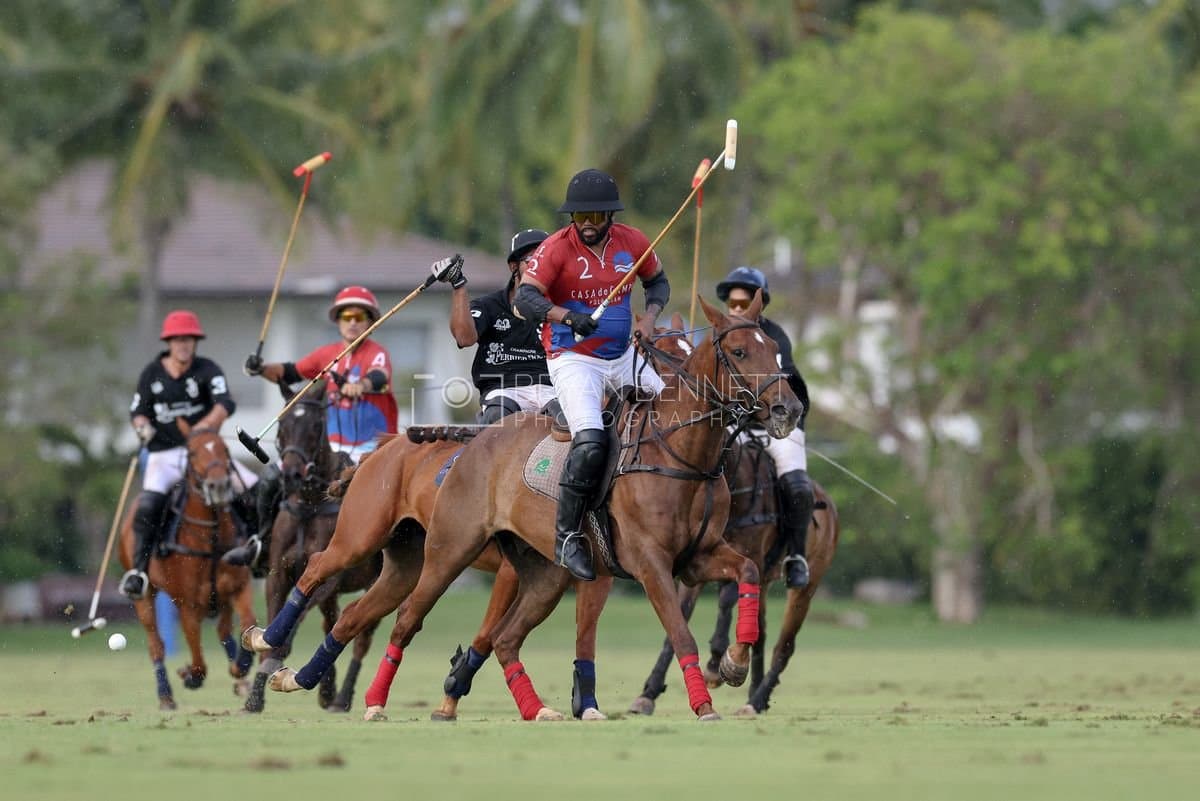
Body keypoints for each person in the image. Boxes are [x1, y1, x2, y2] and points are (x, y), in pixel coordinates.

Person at [513, 168, 670, 581]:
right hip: (572, 358)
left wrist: (650, 318)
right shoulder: (555, 249)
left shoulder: (633, 242)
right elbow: (527, 298)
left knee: (674, 413)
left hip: (623, 356)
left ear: (610, 218)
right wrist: (567, 316)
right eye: (580, 216)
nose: (587, 224)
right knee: (591, 439)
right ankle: (567, 536)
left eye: (595, 217)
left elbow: (658, 283)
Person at [228, 285, 398, 573]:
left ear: (371, 321)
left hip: (371, 447)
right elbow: (290, 372)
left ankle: (385, 551)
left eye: (359, 315)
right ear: (339, 321)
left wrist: (362, 385)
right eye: (346, 315)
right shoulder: (327, 354)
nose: (352, 321)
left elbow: (379, 377)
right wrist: (261, 368)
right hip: (331, 446)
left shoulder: (376, 354)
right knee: (273, 478)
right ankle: (261, 540)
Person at [121, 310, 258, 600]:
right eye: (178, 340)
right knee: (148, 503)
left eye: (189, 339)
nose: (184, 345)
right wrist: (143, 428)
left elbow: (225, 403)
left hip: (205, 452)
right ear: (169, 342)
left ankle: (259, 548)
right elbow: (138, 412)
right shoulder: (152, 374)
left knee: (251, 487)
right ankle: (139, 572)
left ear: (195, 342)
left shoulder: (207, 369)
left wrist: (204, 428)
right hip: (165, 454)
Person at [716, 266, 814, 588]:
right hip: (733, 428)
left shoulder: (774, 337)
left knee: (797, 485)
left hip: (777, 427)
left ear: (760, 305)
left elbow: (781, 391)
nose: (738, 309)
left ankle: (795, 556)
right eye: (733, 303)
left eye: (746, 304)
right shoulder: (718, 338)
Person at [440, 228, 556, 423]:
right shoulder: (489, 306)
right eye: (532, 261)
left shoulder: (562, 307)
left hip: (552, 389)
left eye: (547, 261)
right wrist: (459, 286)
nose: (540, 268)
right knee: (497, 418)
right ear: (513, 266)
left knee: (575, 425)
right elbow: (464, 337)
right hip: (504, 392)